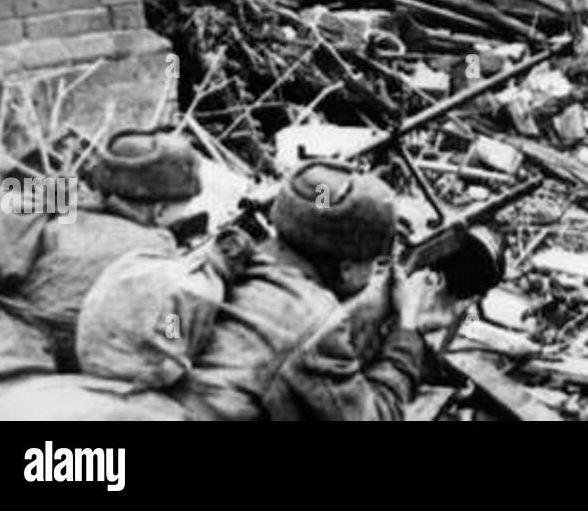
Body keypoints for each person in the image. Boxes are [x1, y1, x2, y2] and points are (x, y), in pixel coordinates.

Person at [167, 159, 464, 421]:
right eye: (376, 262)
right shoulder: (316, 326)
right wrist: (407, 331)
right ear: (346, 269)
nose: (377, 270)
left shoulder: (224, 260)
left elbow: (322, 204)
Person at [0, 128, 202, 409]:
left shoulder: (59, 209)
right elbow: (169, 330)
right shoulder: (156, 251)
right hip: (26, 372)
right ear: (160, 210)